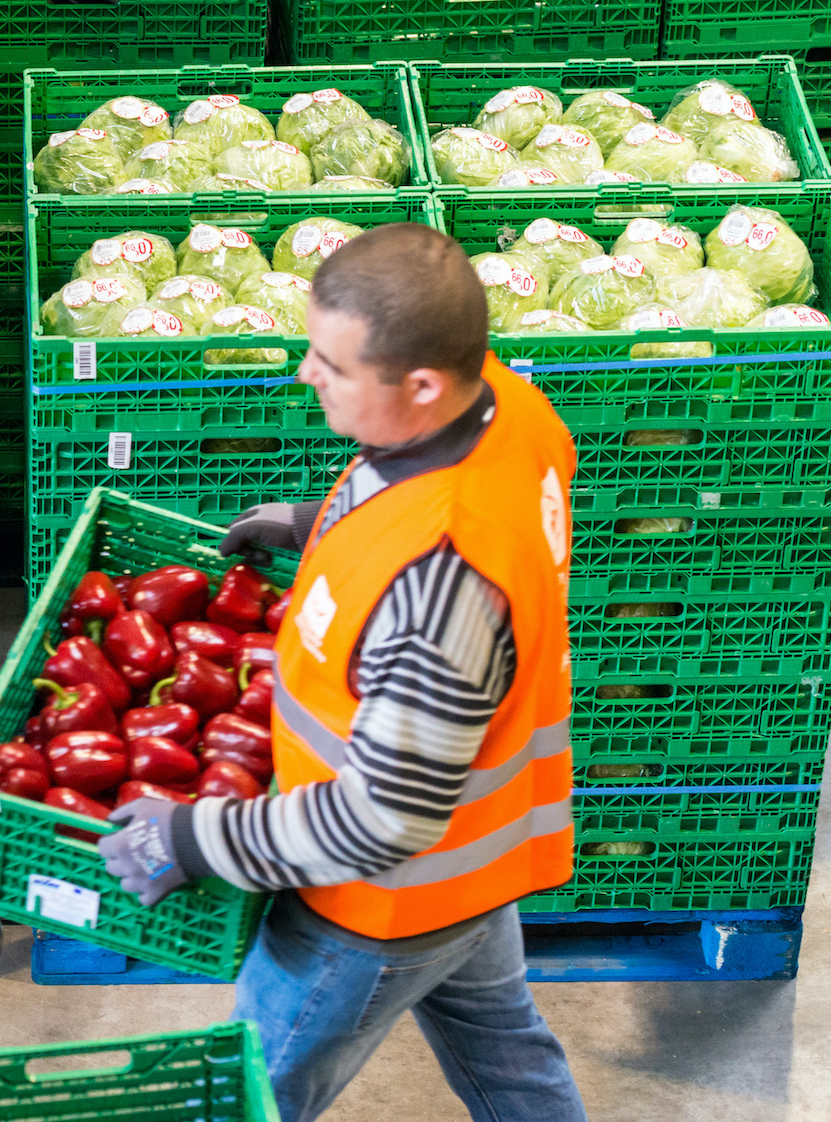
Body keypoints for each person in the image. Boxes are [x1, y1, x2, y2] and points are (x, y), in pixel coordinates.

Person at [99, 223, 586, 1122]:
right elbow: (418, 487)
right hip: (482, 853)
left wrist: (193, 837)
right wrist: (312, 521)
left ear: (424, 383)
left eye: (330, 362)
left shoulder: (443, 592)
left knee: (250, 1093)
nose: (304, 375)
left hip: (378, 901)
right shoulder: (510, 408)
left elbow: (379, 821)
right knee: (507, 1054)